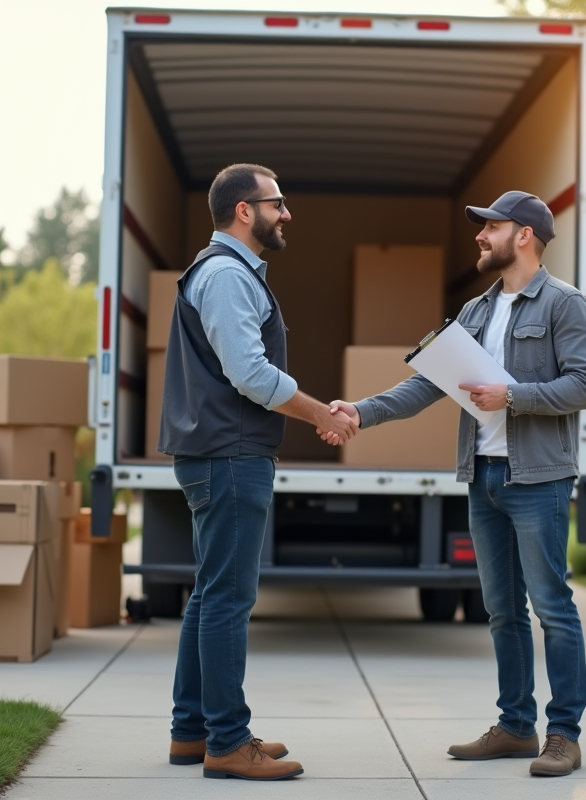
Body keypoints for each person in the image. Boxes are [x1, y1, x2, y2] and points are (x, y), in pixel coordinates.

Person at [320, 191, 586, 777]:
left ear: (522, 234)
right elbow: (426, 386)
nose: (479, 237)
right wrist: (361, 412)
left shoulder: (564, 305)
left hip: (540, 480)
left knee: (553, 607)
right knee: (500, 610)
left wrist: (514, 396)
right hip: (485, 477)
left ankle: (564, 736)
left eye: (489, 227)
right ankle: (516, 726)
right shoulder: (475, 311)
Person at [159, 163, 358, 781]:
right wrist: (322, 413)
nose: (286, 213)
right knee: (228, 599)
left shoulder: (224, 272)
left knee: (209, 595)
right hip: (230, 455)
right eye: (278, 203)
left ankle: (192, 733)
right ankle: (227, 742)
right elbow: (251, 375)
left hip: (218, 453)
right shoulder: (225, 275)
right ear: (245, 210)